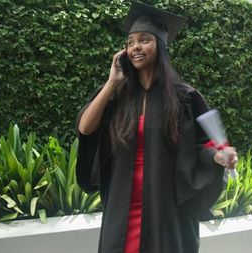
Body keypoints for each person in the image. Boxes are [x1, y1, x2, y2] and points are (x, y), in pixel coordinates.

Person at [76, 2, 238, 253]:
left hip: (166, 206)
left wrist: (217, 155)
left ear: (160, 46)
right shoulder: (117, 95)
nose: (135, 47)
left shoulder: (185, 98)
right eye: (130, 42)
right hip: (122, 202)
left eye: (144, 40)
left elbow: (202, 145)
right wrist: (112, 82)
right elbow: (86, 129)